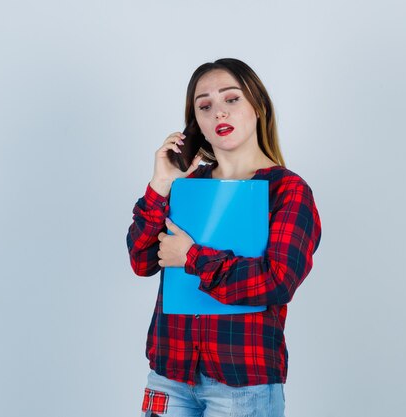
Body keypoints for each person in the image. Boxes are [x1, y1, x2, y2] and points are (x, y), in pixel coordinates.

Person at [126, 58, 322, 417]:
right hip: (169, 375)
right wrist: (160, 184)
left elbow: (276, 281)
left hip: (242, 384)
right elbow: (141, 262)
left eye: (231, 99)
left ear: (258, 107)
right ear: (195, 123)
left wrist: (191, 258)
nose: (219, 113)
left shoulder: (288, 190)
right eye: (205, 106)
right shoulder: (184, 186)